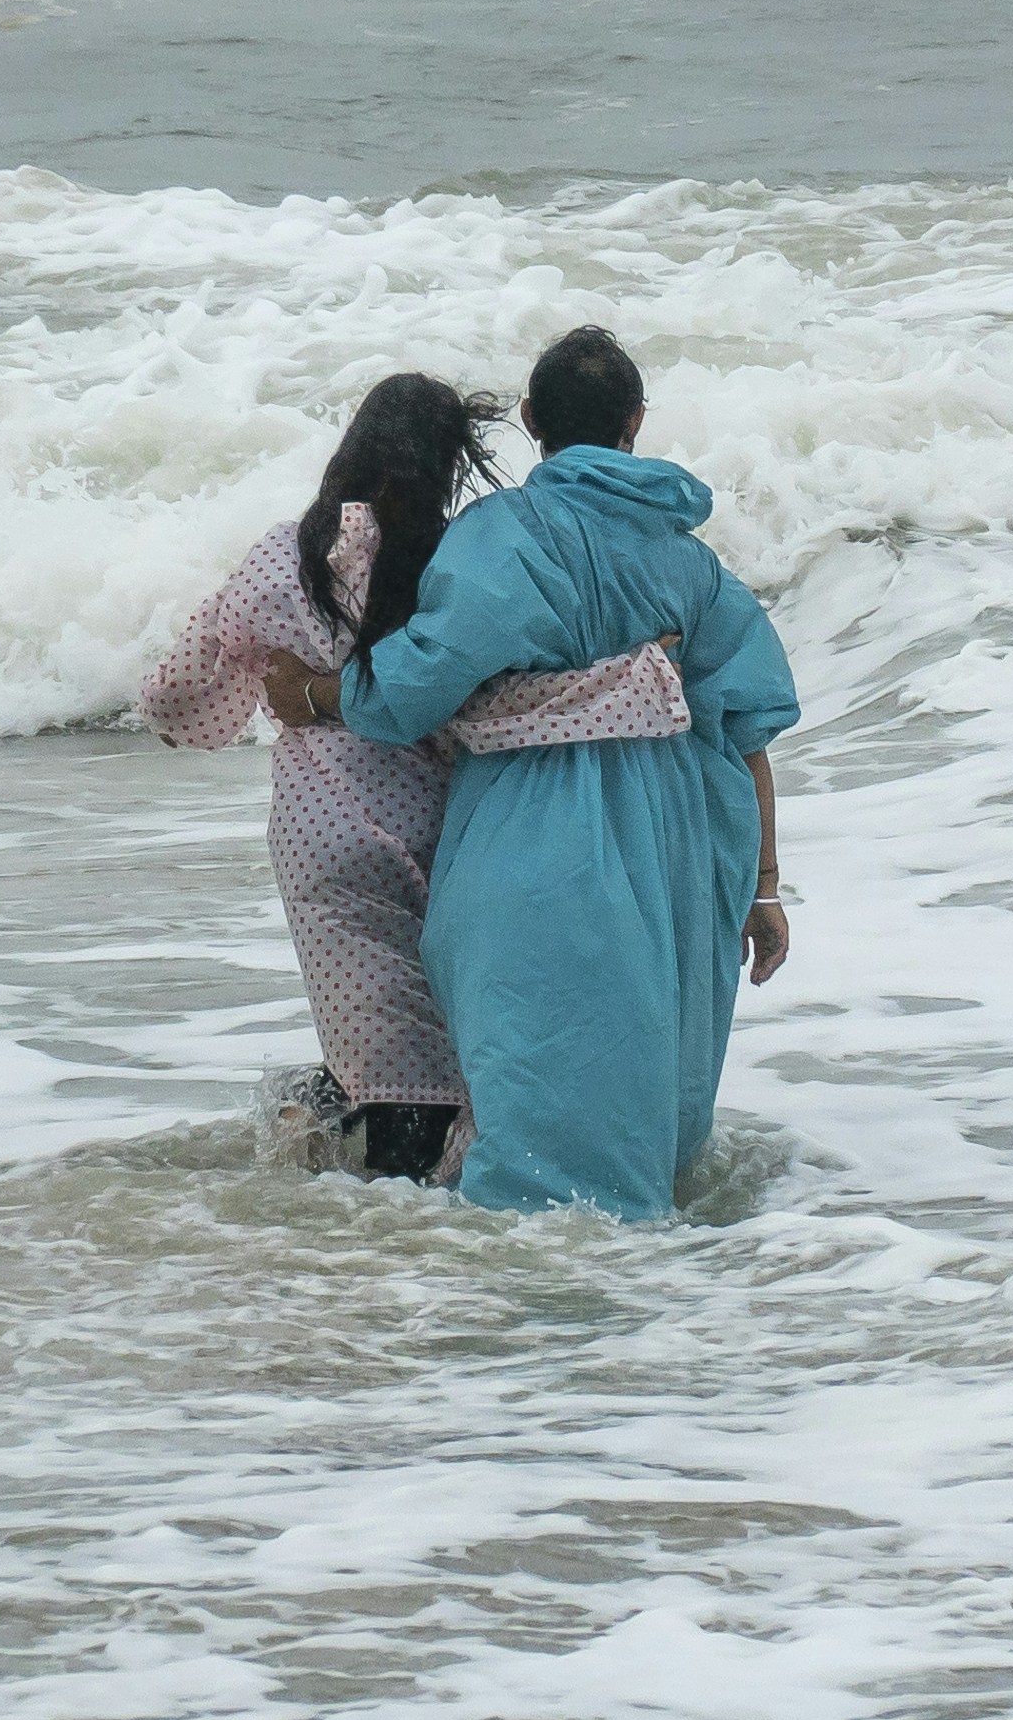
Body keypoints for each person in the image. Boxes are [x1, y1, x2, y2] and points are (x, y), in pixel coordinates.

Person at [264, 325, 798, 1219]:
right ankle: (666, 1308)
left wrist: (315, 696)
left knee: (526, 1089)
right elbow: (748, 735)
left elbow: (412, 687)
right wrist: (764, 889)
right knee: (646, 1092)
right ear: (636, 420)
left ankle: (507, 1318)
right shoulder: (693, 564)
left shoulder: (499, 538)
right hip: (674, 852)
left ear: (528, 419)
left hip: (529, 835)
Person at [143, 372, 677, 1182]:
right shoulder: (458, 564)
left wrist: (280, 693)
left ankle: (334, 1166)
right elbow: (493, 700)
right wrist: (629, 676)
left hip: (321, 839)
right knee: (452, 1062)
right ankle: (401, 1228)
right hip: (448, 834)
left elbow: (174, 699)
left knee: (386, 1053)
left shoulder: (280, 557)